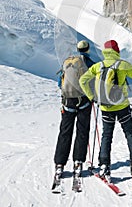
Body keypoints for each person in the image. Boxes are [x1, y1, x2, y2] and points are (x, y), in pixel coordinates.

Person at [79, 39, 132, 181]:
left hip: (105, 107)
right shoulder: (123, 65)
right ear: (116, 51)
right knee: (130, 134)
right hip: (122, 107)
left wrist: (91, 96)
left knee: (107, 136)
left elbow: (83, 80)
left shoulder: (98, 66)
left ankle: (104, 166)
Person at [53, 40, 95, 178]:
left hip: (68, 102)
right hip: (83, 102)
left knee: (65, 132)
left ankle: (60, 163)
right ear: (87, 49)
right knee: (82, 131)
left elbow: (60, 83)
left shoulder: (68, 62)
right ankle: (78, 162)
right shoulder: (89, 63)